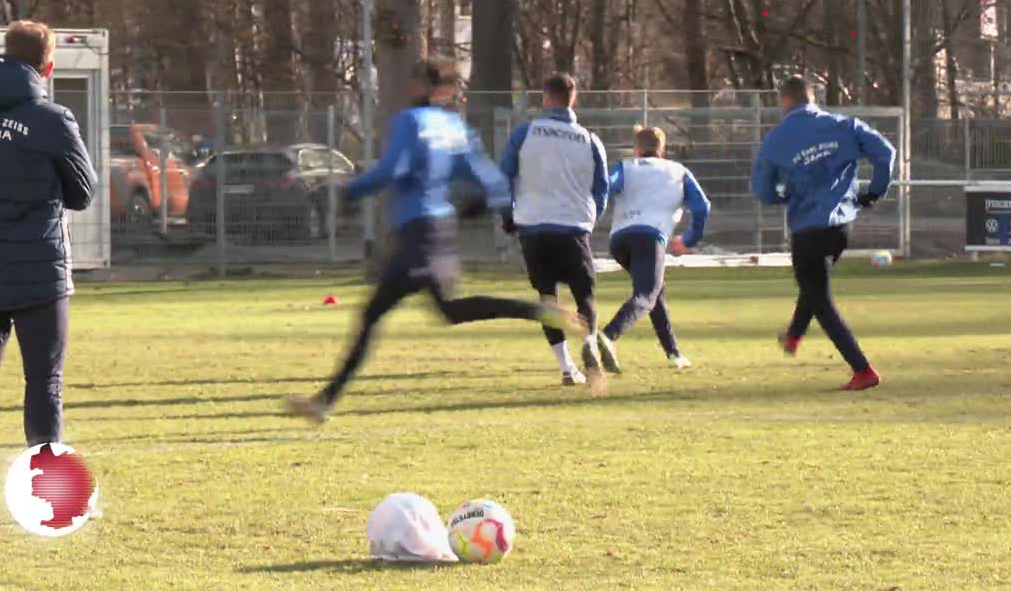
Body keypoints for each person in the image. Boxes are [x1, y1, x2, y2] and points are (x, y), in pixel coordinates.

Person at [286, 59, 574, 423]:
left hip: (416, 234)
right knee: (449, 311)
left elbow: (394, 169)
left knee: (373, 314)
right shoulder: (455, 127)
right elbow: (492, 181)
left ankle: (324, 402)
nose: (409, 86)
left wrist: (350, 192)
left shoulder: (410, 121)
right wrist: (484, 206)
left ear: (427, 86)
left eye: (415, 80)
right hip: (441, 233)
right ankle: (541, 311)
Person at [0, 20, 97, 518]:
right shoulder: (52, 119)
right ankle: (49, 495)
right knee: (43, 382)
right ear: (46, 67)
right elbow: (83, 192)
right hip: (39, 271)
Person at [751, 76, 896, 391]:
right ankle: (793, 335)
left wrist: (782, 196)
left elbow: (761, 190)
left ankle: (863, 370)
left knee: (819, 296)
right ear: (812, 97)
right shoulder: (845, 125)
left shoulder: (776, 139)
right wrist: (873, 192)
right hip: (841, 226)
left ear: (784, 101)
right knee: (814, 285)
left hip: (807, 227)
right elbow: (886, 153)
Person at [499, 73, 612, 386]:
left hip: (533, 226)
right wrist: (589, 218)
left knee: (547, 298)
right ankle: (589, 343)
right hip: (573, 226)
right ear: (572, 99)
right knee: (584, 294)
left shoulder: (524, 133)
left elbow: (504, 176)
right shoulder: (590, 140)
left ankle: (566, 367)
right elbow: (601, 190)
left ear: (545, 97)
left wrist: (507, 213)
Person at [600, 126, 711, 369]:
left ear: (637, 149)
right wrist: (689, 239)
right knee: (646, 295)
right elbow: (702, 207)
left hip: (619, 240)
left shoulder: (625, 166)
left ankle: (673, 353)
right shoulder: (678, 171)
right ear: (662, 149)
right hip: (650, 238)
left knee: (653, 291)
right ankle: (608, 335)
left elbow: (606, 188)